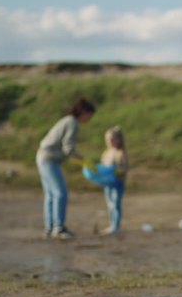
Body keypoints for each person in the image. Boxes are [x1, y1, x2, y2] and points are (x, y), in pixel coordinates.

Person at [36, 97, 96, 239]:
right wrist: (83, 160)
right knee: (60, 193)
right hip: (49, 159)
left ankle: (49, 228)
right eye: (90, 116)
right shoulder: (72, 122)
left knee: (50, 194)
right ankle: (59, 228)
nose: (89, 119)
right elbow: (68, 148)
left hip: (42, 157)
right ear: (84, 112)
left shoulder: (66, 120)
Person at [99, 126, 128, 235]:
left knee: (116, 203)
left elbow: (124, 169)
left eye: (112, 139)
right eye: (107, 140)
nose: (109, 142)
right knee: (109, 203)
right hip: (107, 183)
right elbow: (102, 167)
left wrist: (117, 174)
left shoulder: (121, 153)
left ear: (118, 140)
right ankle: (111, 224)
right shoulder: (106, 153)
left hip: (117, 183)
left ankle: (116, 226)